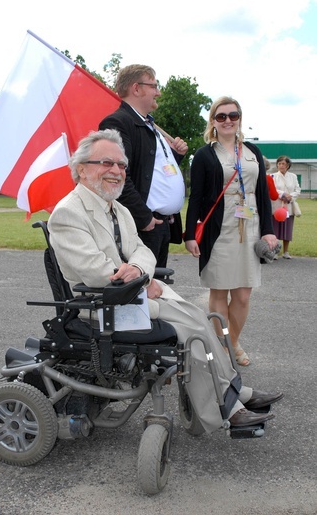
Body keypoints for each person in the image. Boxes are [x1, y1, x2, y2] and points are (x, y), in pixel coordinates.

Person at [48, 128, 283, 435]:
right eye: (106, 163)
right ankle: (224, 410)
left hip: (134, 296)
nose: (116, 171)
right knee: (193, 332)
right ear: (81, 168)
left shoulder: (117, 209)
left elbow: (142, 251)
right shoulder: (68, 213)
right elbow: (96, 272)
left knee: (201, 319)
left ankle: (233, 390)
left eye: (121, 165)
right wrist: (141, 280)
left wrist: (140, 274)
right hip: (103, 306)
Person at [184, 96, 278, 367]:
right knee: (219, 294)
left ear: (239, 119)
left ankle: (230, 343)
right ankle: (224, 350)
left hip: (250, 229)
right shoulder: (204, 155)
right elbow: (197, 197)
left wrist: (269, 231)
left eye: (233, 116)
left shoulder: (252, 152)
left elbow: (262, 194)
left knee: (243, 295)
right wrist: (190, 234)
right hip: (219, 232)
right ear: (213, 121)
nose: (227, 121)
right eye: (221, 116)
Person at [98, 64, 188, 268]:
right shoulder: (118, 123)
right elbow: (116, 176)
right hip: (143, 227)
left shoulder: (148, 124)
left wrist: (176, 155)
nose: (159, 92)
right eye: (154, 86)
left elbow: (151, 170)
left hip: (160, 225)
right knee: (142, 293)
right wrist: (144, 218)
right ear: (136, 88)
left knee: (157, 292)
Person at [271, 155, 301, 259]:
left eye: (283, 164)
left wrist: (290, 196)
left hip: (289, 206)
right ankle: (275, 252)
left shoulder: (293, 176)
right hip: (277, 206)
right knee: (275, 229)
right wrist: (283, 194)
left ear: (288, 165)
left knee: (287, 229)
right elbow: (273, 189)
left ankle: (286, 252)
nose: (281, 165)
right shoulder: (273, 176)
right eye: (279, 163)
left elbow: (297, 190)